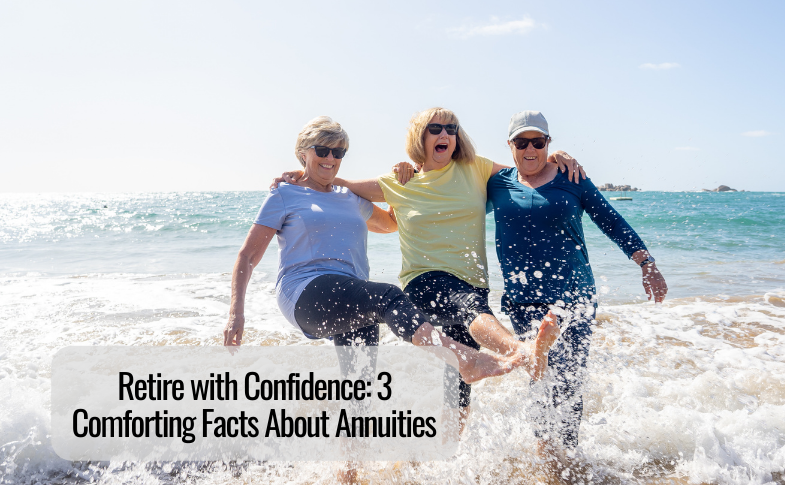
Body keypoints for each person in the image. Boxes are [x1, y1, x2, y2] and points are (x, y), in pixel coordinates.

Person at [277, 108, 584, 435]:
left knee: (460, 382)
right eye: (434, 128)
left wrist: (554, 158)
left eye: (450, 129)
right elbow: (338, 182)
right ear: (419, 138)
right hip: (425, 286)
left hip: (472, 285)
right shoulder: (401, 181)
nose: (444, 135)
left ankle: (443, 452)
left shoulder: (476, 169)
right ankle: (521, 352)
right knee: (470, 310)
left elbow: (528, 173)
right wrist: (300, 174)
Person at [223, 116, 536, 396]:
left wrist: (409, 178)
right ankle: (465, 360)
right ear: (303, 153)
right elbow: (247, 256)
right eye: (323, 150)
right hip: (305, 292)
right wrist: (236, 313)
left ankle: (350, 463)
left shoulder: (349, 198)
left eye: (339, 152)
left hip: (352, 296)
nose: (331, 158)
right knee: (387, 296)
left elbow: (390, 223)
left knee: (359, 389)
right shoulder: (284, 194)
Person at [487, 111, 668, 461]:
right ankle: (546, 453)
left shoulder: (572, 177)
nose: (530, 149)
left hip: (574, 296)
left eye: (538, 142)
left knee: (568, 380)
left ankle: (566, 456)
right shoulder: (497, 182)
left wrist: (647, 263)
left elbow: (610, 220)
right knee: (541, 375)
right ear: (509, 146)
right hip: (523, 299)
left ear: (548, 144)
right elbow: (451, 188)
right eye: (521, 142)